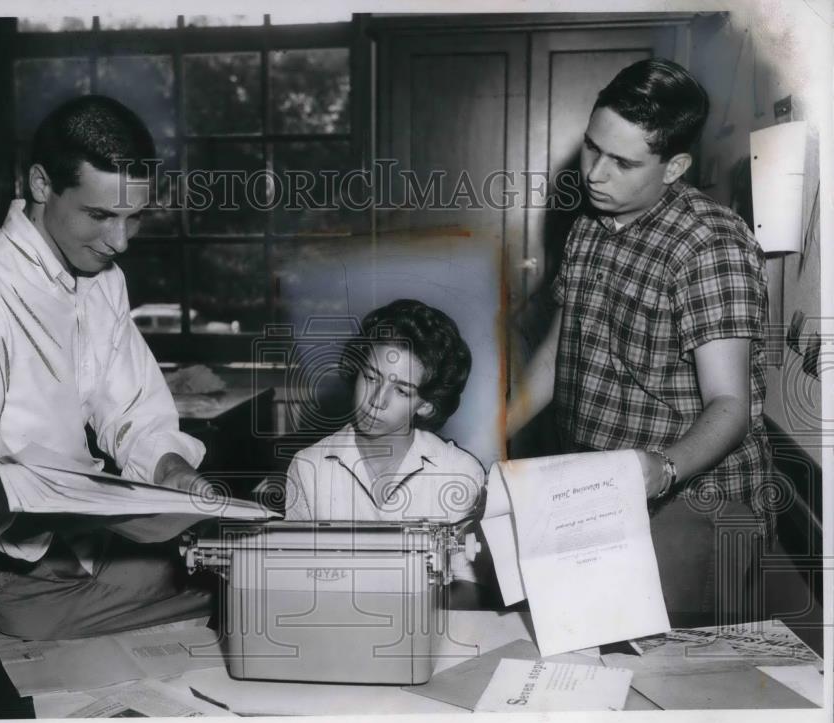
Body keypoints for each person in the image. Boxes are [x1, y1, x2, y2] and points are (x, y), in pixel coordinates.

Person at [0, 95, 220, 640]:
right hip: (22, 576)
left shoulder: (103, 281)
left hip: (95, 552)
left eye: (133, 218)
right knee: (238, 603)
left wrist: (171, 472)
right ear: (41, 185)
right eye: (99, 216)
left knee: (250, 584)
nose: (119, 242)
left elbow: (131, 411)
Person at [507, 58, 773, 619]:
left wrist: (665, 469)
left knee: (643, 658)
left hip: (696, 494)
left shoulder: (710, 244)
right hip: (596, 486)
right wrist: (492, 433)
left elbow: (732, 405)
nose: (596, 175)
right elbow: (560, 349)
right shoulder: (591, 224)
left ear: (674, 166)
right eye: (592, 148)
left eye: (623, 162)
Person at [284, 299, 486, 585]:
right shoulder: (308, 467)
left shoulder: (461, 473)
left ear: (426, 405)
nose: (377, 401)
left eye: (402, 390)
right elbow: (293, 579)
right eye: (370, 377)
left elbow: (468, 589)